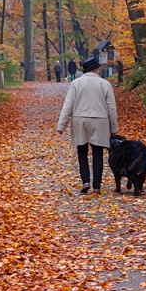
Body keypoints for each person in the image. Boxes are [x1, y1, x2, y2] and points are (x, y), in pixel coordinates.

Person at [56, 57, 118, 194]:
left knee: (82, 152)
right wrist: (114, 128)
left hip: (80, 120)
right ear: (96, 69)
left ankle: (85, 181)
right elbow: (111, 108)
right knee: (98, 153)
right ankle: (97, 185)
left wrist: (61, 126)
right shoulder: (105, 84)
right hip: (99, 120)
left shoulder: (76, 83)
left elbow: (68, 106)